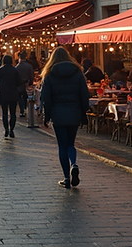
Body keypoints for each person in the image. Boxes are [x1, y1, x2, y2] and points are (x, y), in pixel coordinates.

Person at [40, 47, 90, 189]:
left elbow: (46, 98)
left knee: (62, 145)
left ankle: (67, 177)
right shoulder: (77, 72)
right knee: (71, 144)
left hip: (58, 114)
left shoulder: (49, 74)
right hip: (74, 112)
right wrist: (83, 112)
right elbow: (84, 94)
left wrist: (47, 115)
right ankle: (73, 164)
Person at [0, 55, 21, 138]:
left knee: (4, 112)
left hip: (3, 93)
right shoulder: (15, 70)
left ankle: (6, 129)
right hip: (13, 93)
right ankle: (12, 129)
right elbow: (19, 82)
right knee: (13, 113)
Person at [16, 53, 35, 118]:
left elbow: (16, 77)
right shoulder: (29, 66)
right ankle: (25, 108)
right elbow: (31, 75)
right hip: (27, 84)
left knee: (20, 98)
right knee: (26, 97)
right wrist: (30, 83)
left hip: (19, 85)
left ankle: (22, 110)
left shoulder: (17, 67)